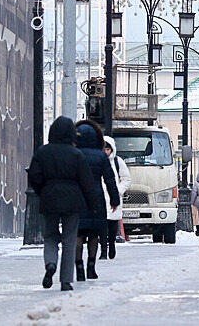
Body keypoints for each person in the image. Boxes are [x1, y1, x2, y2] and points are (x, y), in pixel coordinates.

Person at [27, 116, 101, 291]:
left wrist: (43, 191)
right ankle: (66, 280)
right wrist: (93, 205)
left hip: (50, 198)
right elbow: (87, 183)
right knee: (69, 239)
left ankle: (50, 264)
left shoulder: (42, 152)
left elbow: (34, 176)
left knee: (50, 236)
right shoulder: (77, 155)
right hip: (72, 200)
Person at [74, 120, 120, 282]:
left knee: (78, 234)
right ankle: (91, 267)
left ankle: (78, 267)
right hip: (96, 197)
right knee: (94, 234)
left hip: (77, 197)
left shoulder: (74, 154)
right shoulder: (101, 156)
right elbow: (110, 180)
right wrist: (114, 199)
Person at [100, 136, 131, 260]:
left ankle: (111, 245)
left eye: (108, 149)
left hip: (114, 198)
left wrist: (118, 191)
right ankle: (103, 250)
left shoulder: (118, 162)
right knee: (101, 226)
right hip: (101, 198)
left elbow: (126, 179)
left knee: (112, 225)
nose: (106, 152)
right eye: (103, 149)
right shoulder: (98, 161)